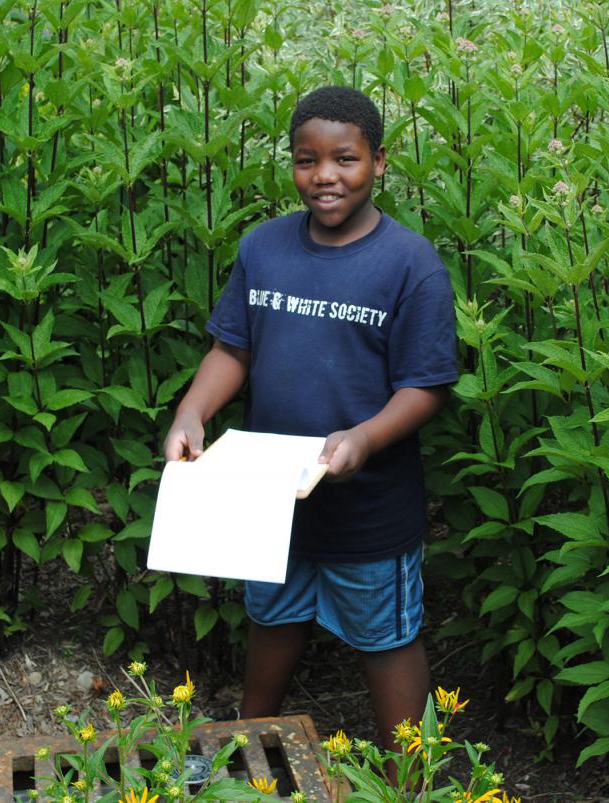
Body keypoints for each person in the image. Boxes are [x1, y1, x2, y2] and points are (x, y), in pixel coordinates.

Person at [162, 85, 457, 757]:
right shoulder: (264, 248)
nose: (324, 175)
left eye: (345, 159)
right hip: (270, 495)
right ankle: (244, 748)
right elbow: (232, 347)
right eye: (306, 159)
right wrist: (192, 409)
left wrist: (364, 437)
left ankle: (408, 777)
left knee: (386, 639)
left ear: (380, 162)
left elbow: (428, 385)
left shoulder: (410, 266)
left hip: (370, 507)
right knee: (273, 617)